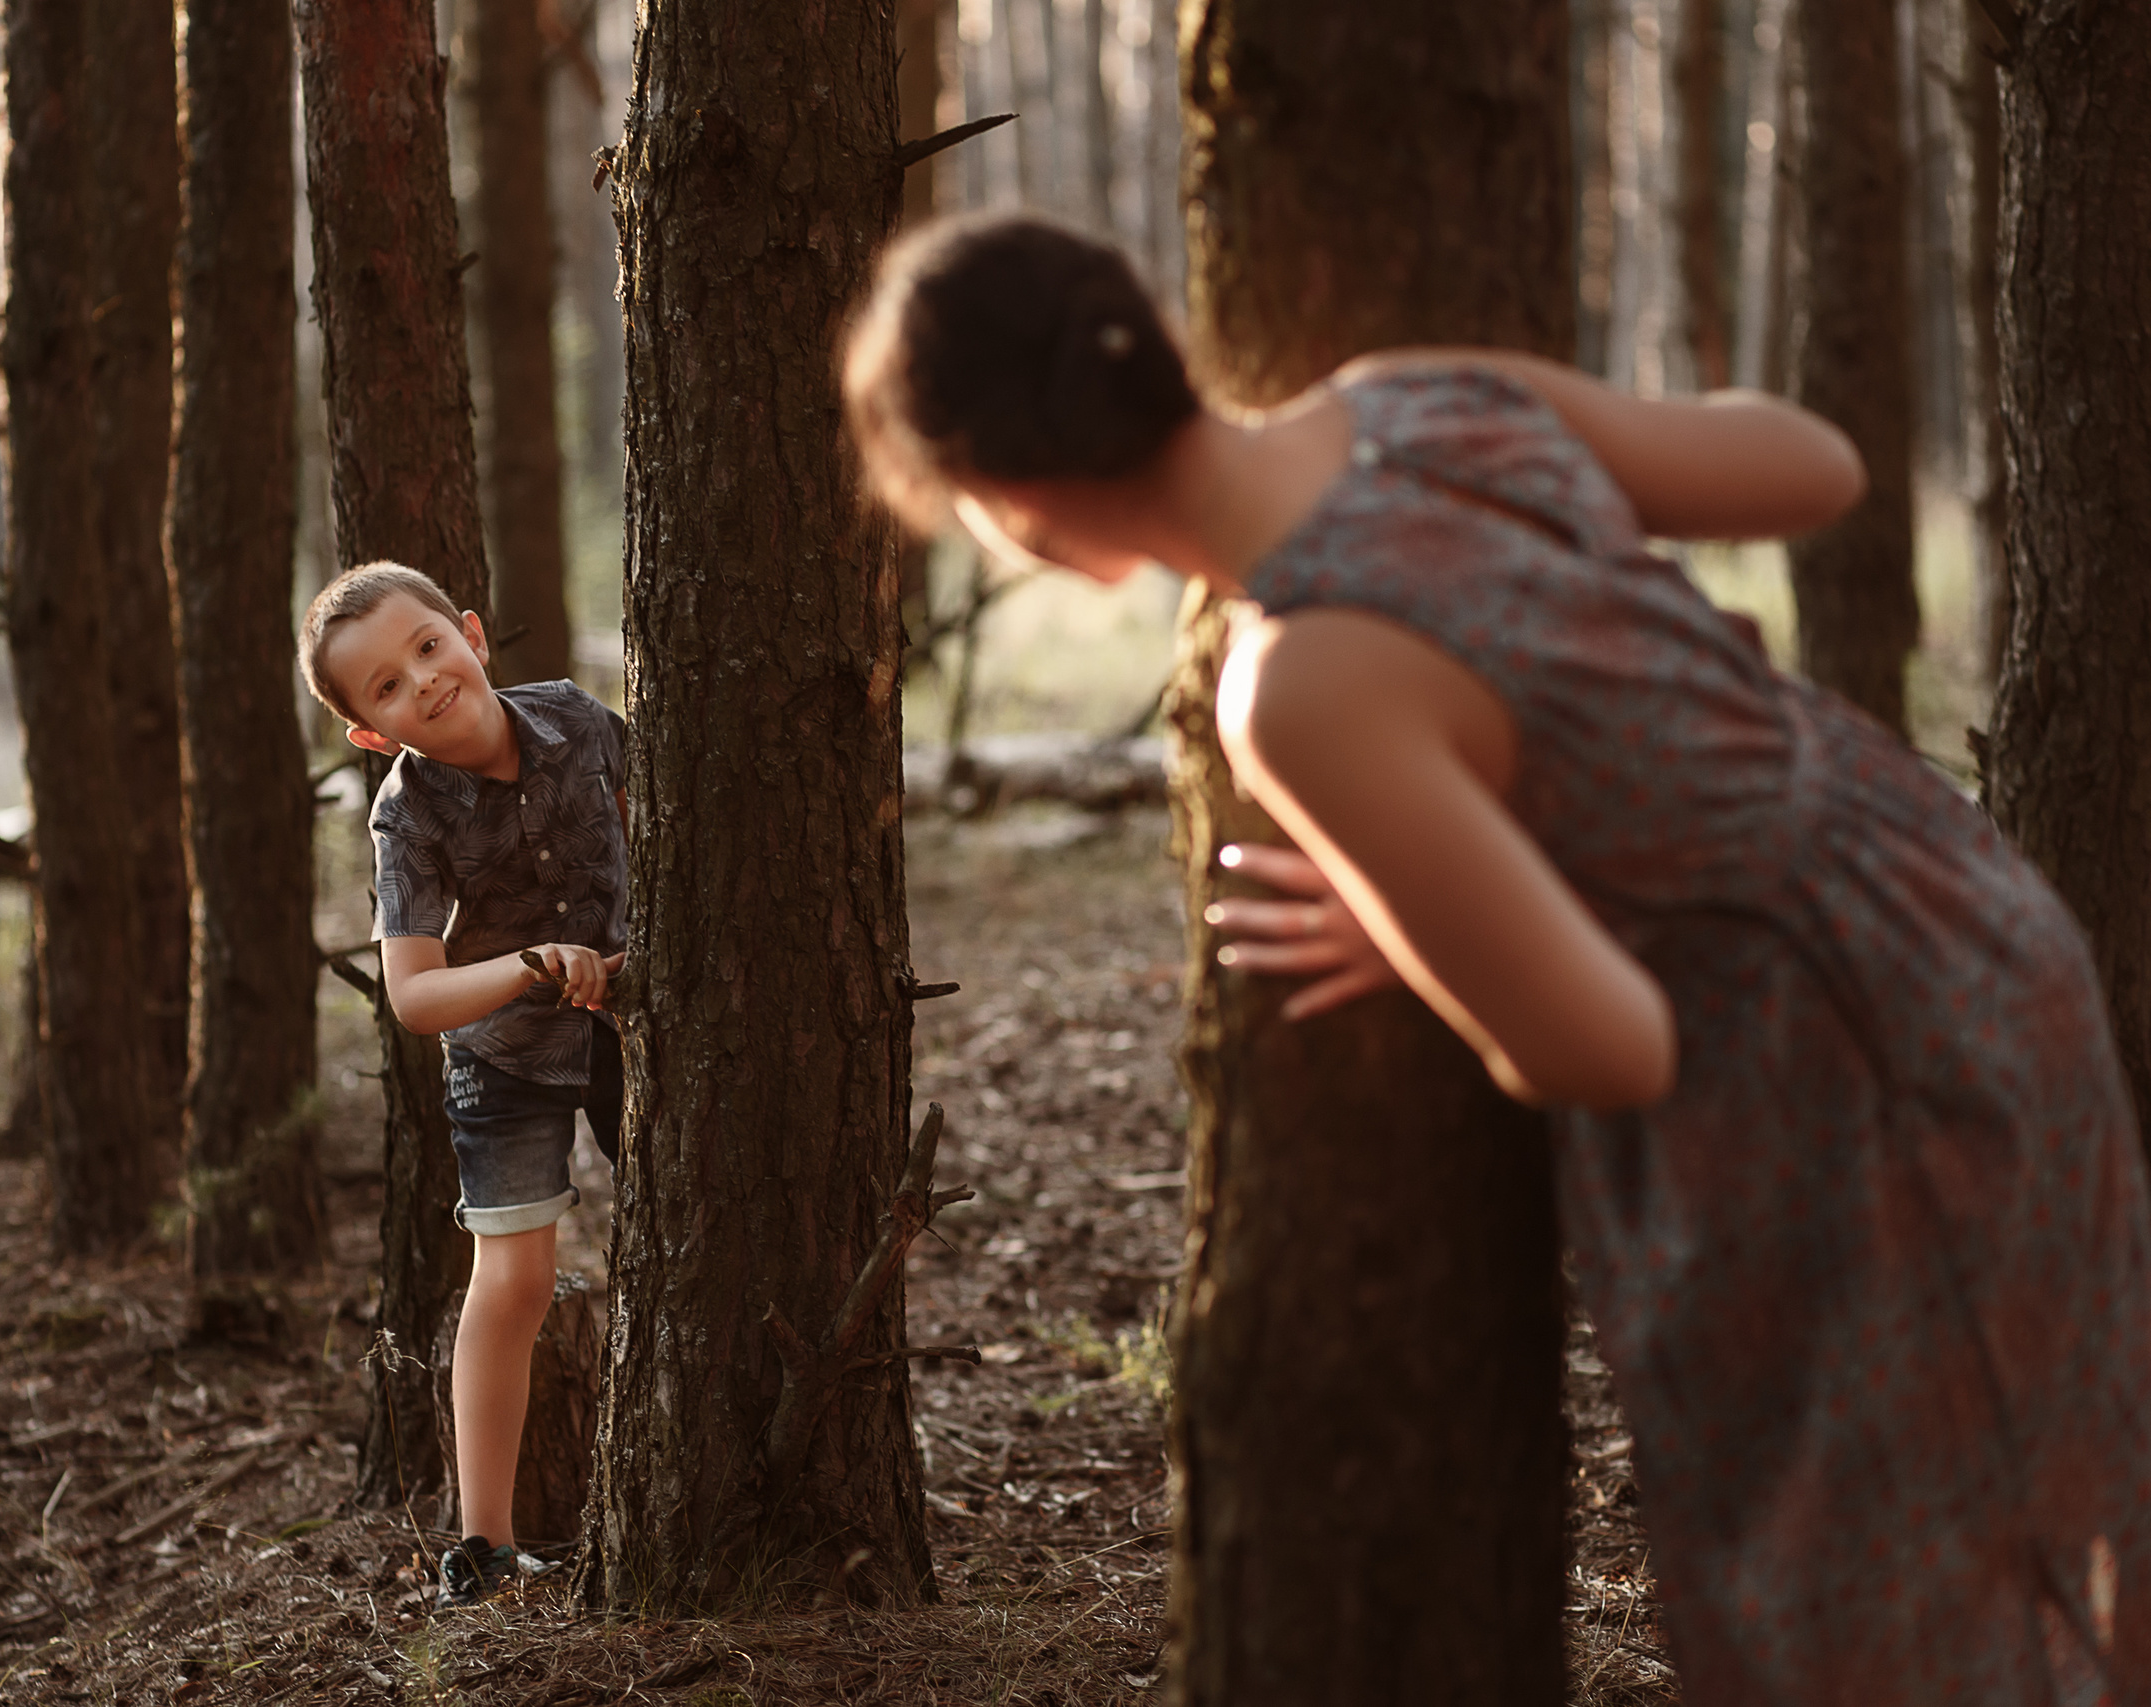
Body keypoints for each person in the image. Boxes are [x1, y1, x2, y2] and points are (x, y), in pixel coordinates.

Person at [843, 212, 2151, 1702]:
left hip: (1843, 1070)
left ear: (1013, 503)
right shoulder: (1418, 399)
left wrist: (1432, 914)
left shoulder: (1303, 673)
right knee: (2072, 1491)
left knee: (1909, 1589)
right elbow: (1813, 466)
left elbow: (1608, 1044)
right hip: (1958, 913)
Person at [298, 561, 628, 1608]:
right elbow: (415, 996)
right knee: (517, 1281)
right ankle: (481, 1546)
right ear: (369, 733)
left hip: (632, 1029)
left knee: (688, 1226)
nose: (422, 682)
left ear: (473, 635)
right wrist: (533, 963)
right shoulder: (408, 818)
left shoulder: (578, 722)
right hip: (504, 1057)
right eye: (386, 687)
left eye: (428, 648)